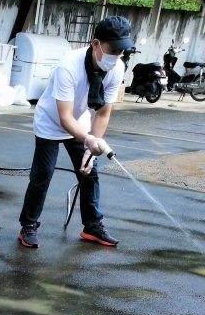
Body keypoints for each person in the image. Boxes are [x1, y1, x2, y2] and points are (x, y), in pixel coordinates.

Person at [17, 15, 133, 249]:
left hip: (80, 121)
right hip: (51, 122)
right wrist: (88, 138)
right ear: (96, 44)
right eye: (113, 50)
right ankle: (28, 225)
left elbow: (102, 113)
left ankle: (92, 226)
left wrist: (93, 146)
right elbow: (64, 116)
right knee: (43, 175)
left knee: (90, 171)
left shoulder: (116, 68)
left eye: (121, 51)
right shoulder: (68, 65)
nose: (117, 57)